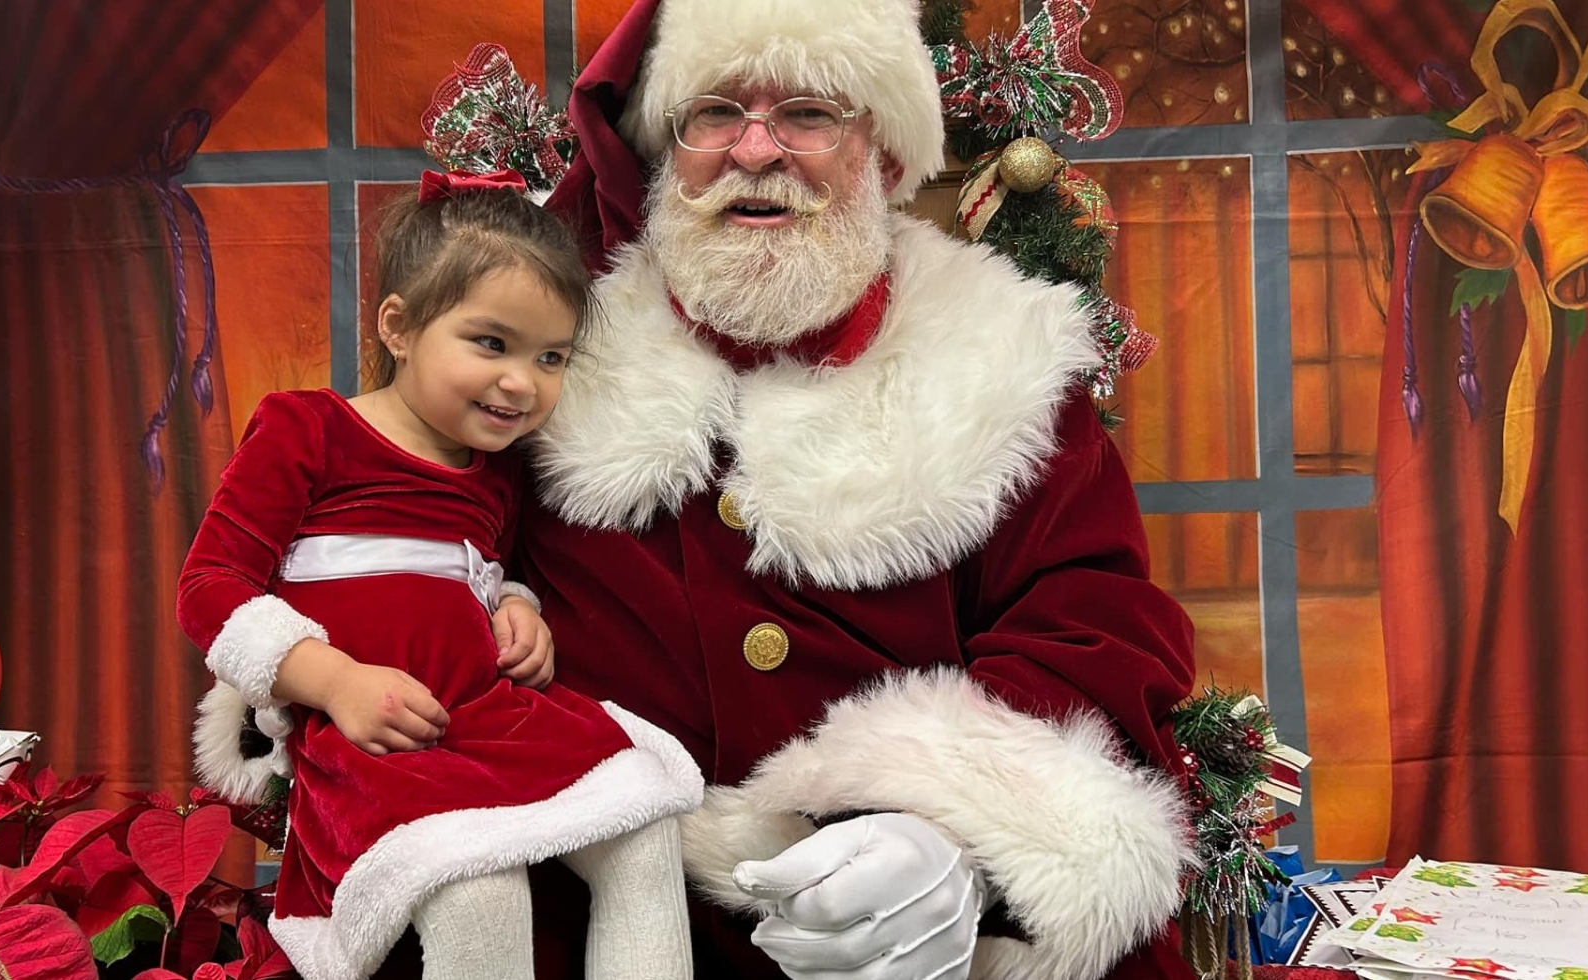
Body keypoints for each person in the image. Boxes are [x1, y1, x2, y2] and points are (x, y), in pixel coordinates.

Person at [202, 0, 1202, 977]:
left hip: (885, 939)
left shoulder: (998, 355)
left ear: (883, 154)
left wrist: (964, 839)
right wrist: (320, 676)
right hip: (578, 899)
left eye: (808, 113)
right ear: (666, 150)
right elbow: (388, 520)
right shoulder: (548, 346)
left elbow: (1093, 622)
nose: (756, 151)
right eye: (715, 113)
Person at [177, 169, 702, 980]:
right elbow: (211, 588)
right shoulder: (308, 429)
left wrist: (517, 608)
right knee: (476, 885)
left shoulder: (496, 473)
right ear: (400, 327)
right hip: (379, 743)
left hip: (487, 716)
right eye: (490, 343)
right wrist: (336, 681)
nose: (521, 381)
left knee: (642, 821)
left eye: (551, 355)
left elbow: (485, 573)